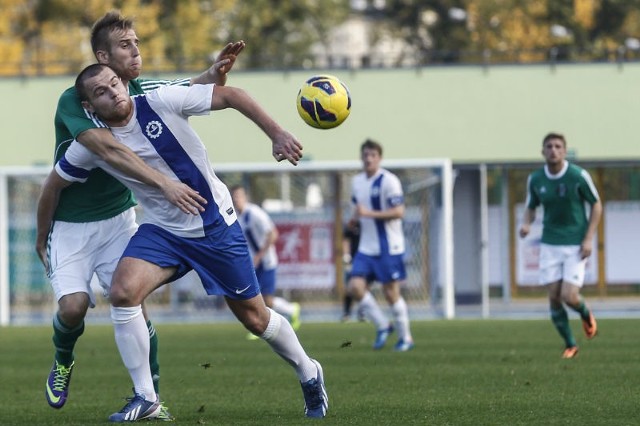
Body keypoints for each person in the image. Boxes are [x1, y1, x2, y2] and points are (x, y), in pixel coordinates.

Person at [41, 63, 326, 421]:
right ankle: (145, 396)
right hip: (164, 231)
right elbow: (54, 183)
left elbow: (232, 94)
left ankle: (309, 370)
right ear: (89, 108)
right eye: (101, 91)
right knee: (123, 292)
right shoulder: (95, 146)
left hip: (214, 227)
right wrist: (44, 237)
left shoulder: (161, 100)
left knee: (256, 320)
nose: (113, 92)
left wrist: (277, 132)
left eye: (114, 83)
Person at [35, 10, 244, 416]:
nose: (136, 51)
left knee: (131, 299)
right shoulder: (75, 99)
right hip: (72, 227)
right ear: (103, 56)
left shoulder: (141, 89)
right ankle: (63, 358)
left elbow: (186, 87)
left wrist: (213, 72)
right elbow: (109, 150)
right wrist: (41, 236)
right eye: (125, 46)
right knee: (73, 308)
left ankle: (152, 399)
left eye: (137, 43)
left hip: (119, 223)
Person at [519, 132, 601, 359]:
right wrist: (526, 223)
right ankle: (571, 344)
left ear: (564, 151)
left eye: (557, 146)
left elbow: (596, 205)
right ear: (542, 152)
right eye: (549, 146)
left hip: (575, 243)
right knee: (554, 297)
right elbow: (531, 206)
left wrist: (588, 238)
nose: (553, 150)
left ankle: (585, 313)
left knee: (569, 296)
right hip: (550, 244)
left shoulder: (577, 176)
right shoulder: (536, 179)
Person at [346, 139, 414, 351]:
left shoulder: (389, 181)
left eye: (373, 155)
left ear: (380, 158)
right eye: (365, 155)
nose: (368, 159)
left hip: (388, 247)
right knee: (354, 287)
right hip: (367, 247)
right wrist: (355, 219)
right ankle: (383, 325)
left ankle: (406, 338)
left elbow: (399, 212)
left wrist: (369, 214)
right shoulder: (357, 182)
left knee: (390, 294)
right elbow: (358, 209)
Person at [230, 185, 302, 339]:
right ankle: (261, 325)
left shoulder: (255, 213)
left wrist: (260, 255)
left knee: (265, 299)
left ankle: (289, 310)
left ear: (245, 197)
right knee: (256, 297)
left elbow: (273, 234)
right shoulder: (239, 217)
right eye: (234, 196)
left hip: (266, 262)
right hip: (254, 263)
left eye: (239, 196)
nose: (236, 200)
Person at [340, 220, 366, 322]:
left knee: (364, 288)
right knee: (349, 287)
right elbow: (346, 240)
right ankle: (347, 313)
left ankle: (362, 313)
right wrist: (346, 256)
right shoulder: (352, 224)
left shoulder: (368, 225)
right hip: (354, 261)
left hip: (365, 260)